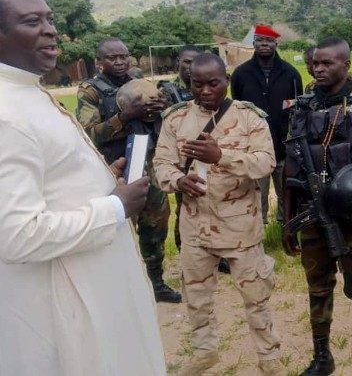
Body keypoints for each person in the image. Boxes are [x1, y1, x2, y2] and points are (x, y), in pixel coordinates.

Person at [0, 0, 166, 375]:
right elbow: (17, 234)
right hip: (65, 311)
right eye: (31, 21)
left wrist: (102, 176)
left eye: (50, 18)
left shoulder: (26, 91)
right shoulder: (7, 114)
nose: (50, 29)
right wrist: (114, 207)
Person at [153, 53, 284, 376]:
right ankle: (204, 351)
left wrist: (221, 156)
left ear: (226, 81)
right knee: (196, 296)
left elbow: (266, 162)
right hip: (196, 228)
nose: (206, 91)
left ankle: (269, 359)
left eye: (213, 83)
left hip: (240, 226)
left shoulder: (249, 118)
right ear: (189, 83)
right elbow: (161, 165)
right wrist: (178, 180)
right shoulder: (176, 120)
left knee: (256, 298)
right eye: (198, 84)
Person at [282, 38, 352, 376]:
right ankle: (322, 357)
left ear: (346, 64)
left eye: (327, 63)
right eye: (314, 63)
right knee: (317, 288)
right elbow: (290, 164)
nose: (318, 69)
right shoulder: (300, 108)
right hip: (312, 215)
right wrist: (287, 219)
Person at [77, 37, 181, 303]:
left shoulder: (137, 81)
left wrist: (159, 109)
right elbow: (88, 134)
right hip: (115, 165)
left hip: (146, 161)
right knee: (118, 226)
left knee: (156, 223)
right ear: (100, 62)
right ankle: (121, 287)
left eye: (124, 56)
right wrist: (125, 116)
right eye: (112, 58)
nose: (120, 61)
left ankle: (156, 282)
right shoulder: (91, 90)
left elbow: (159, 119)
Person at [231, 25, 303, 225]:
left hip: (284, 148)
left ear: (276, 43)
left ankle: (286, 229)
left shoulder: (291, 74)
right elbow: (236, 110)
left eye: (269, 41)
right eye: (260, 40)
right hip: (253, 151)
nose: (264, 44)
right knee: (255, 196)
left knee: (288, 194)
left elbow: (299, 112)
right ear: (253, 43)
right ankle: (257, 233)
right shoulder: (240, 74)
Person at [158, 44, 200, 251]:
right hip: (180, 159)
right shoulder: (167, 91)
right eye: (186, 62)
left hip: (203, 154)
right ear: (178, 63)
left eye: (195, 62)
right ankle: (185, 250)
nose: (191, 67)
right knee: (185, 207)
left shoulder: (204, 87)